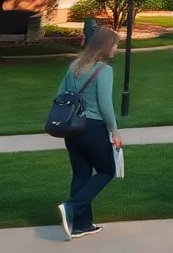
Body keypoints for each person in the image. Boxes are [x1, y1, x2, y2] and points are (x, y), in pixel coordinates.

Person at [56, 27, 122, 240]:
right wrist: (114, 130)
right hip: (93, 127)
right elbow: (105, 105)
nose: (116, 49)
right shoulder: (104, 70)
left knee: (81, 173)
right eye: (115, 45)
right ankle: (71, 207)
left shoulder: (74, 65)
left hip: (72, 128)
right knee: (107, 171)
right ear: (105, 46)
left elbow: (60, 95)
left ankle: (80, 225)